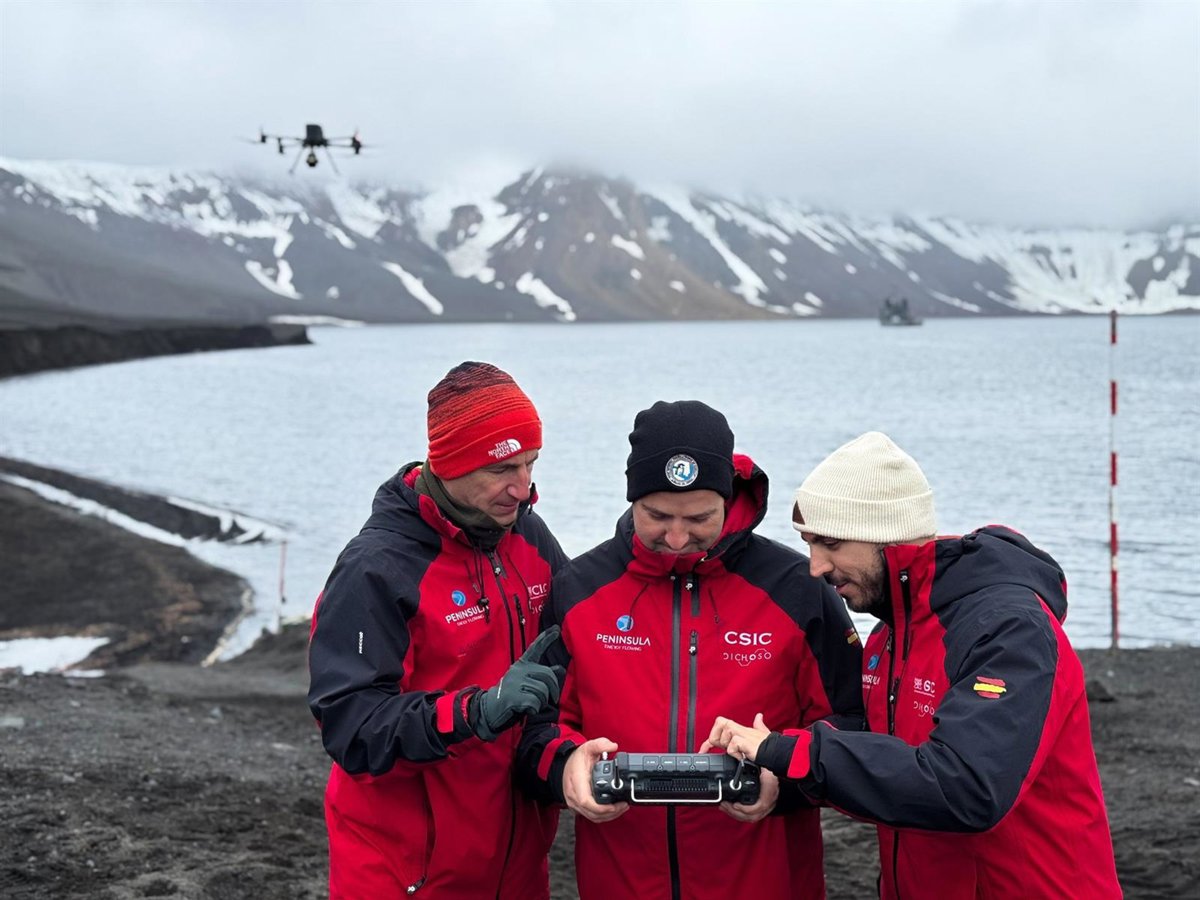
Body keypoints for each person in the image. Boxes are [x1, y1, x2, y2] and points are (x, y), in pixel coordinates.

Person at [702, 431, 1122, 899]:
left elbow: (966, 789)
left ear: (886, 533)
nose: (816, 566)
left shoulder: (1007, 628)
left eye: (831, 543)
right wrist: (779, 780)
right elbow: (884, 760)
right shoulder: (889, 635)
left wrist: (789, 752)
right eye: (808, 544)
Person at [517, 400, 864, 900]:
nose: (677, 538)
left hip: (764, 880)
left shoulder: (797, 590)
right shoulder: (579, 589)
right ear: (632, 498)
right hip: (620, 883)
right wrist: (565, 766)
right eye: (656, 516)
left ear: (728, 499)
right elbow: (534, 731)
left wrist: (782, 777)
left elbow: (854, 725)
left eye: (700, 518)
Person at [307, 361, 568, 899]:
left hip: (516, 869)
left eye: (531, 464)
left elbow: (582, 632)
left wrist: (652, 528)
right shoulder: (376, 569)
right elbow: (352, 728)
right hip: (408, 877)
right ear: (450, 463)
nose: (522, 489)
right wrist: (478, 712)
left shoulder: (527, 535)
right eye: (502, 468)